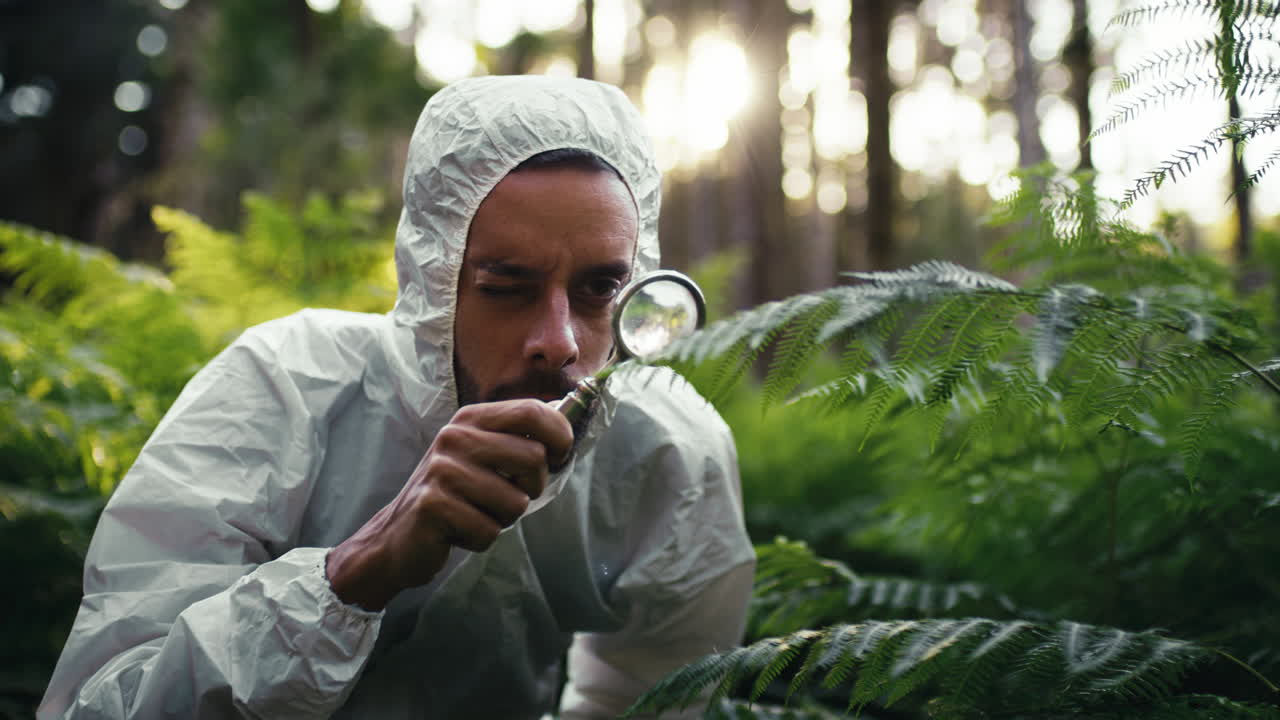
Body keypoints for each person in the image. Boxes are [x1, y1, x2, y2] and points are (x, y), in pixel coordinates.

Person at [38, 75, 755, 719]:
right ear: (434, 278)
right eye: (507, 287)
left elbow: (652, 698)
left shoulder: (669, 454)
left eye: (599, 289)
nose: (559, 343)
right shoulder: (280, 389)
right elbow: (103, 703)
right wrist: (355, 573)